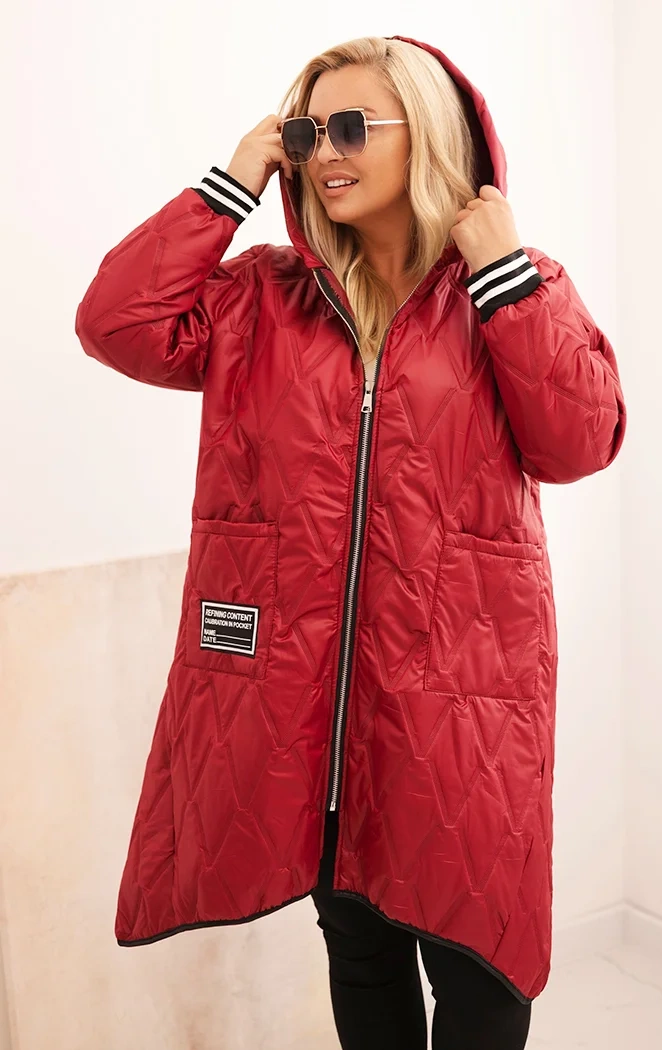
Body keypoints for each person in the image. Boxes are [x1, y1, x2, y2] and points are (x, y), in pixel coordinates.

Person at [75, 34, 626, 1050]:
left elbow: (579, 442)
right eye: (303, 133)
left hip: (464, 698)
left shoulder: (507, 286)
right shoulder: (261, 298)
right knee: (360, 947)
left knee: (480, 968)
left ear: (429, 135)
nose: (322, 152)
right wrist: (232, 182)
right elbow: (116, 323)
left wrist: (502, 271)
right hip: (314, 705)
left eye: (349, 127)